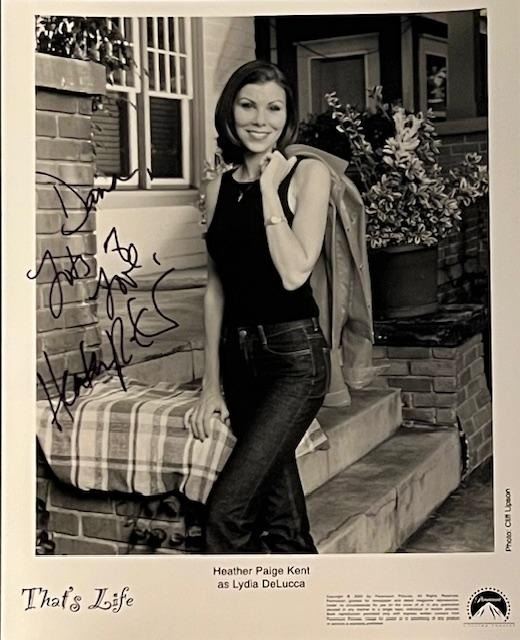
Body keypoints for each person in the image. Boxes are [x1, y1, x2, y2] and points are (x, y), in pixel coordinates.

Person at [184, 60, 331, 554]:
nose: (260, 119)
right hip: (239, 361)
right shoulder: (216, 187)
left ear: (287, 116)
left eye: (274, 108)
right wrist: (210, 386)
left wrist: (269, 189)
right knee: (281, 517)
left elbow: (294, 272)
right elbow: (215, 289)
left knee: (226, 512)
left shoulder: (308, 174)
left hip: (294, 360)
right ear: (230, 110)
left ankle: (229, 599)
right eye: (248, 105)